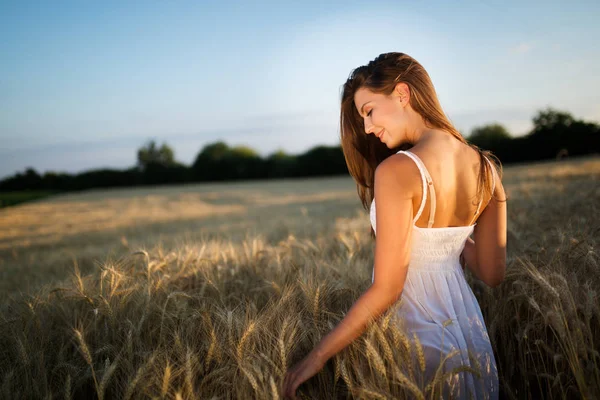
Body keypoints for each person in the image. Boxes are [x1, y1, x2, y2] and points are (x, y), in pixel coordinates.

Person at [282, 52, 507, 399]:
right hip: (471, 339)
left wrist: (317, 356)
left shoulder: (398, 170)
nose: (368, 128)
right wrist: (450, 238)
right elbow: (492, 273)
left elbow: (388, 289)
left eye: (369, 111)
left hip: (419, 341)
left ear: (402, 94)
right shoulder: (487, 169)